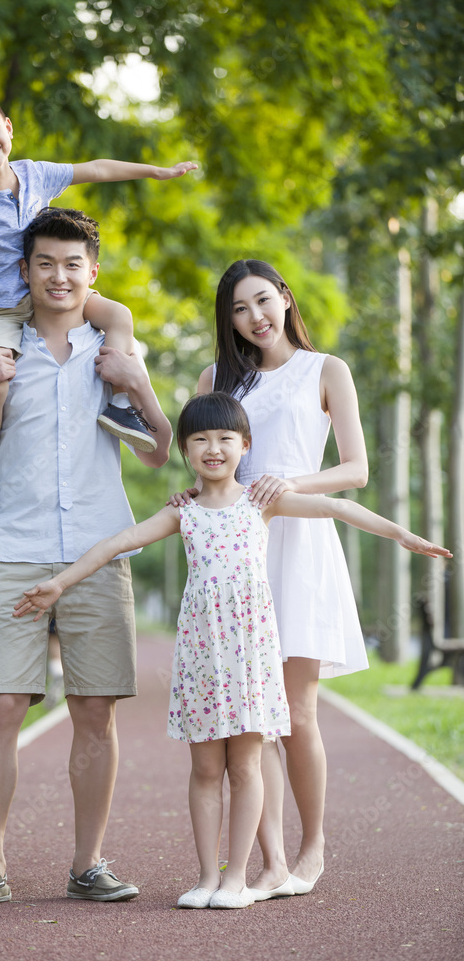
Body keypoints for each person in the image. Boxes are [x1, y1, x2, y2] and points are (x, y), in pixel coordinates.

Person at [14, 392, 450, 909]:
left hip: (250, 656)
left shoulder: (260, 503)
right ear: (185, 451)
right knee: (204, 770)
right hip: (202, 657)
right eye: (200, 439)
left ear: (245, 445)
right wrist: (59, 584)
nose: (213, 448)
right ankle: (206, 878)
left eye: (224, 438)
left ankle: (237, 879)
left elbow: (337, 506)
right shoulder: (184, 513)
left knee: (246, 767)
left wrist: (403, 535)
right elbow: (117, 542)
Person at [0, 207, 173, 906]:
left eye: (73, 264)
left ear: (91, 272)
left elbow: (159, 452)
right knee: (2, 705)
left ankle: (88, 864)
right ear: (26, 271)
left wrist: (138, 384)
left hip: (99, 547)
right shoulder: (1, 355)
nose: (59, 276)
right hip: (14, 545)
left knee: (95, 712)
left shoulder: (115, 349)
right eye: (46, 263)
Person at [0, 88, 195, 523]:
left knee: (120, 316)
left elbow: (97, 168)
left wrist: (156, 172)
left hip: (47, 296)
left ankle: (120, 406)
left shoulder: (37, 174)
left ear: (7, 127)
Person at [168, 258, 372, 898]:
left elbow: (356, 470)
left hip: (302, 543)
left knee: (297, 715)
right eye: (238, 308)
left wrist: (292, 483)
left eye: (263, 301)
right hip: (235, 557)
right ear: (227, 319)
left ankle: (312, 848)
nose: (254, 317)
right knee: (247, 718)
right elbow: (208, 454)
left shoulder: (325, 370)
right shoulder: (216, 379)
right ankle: (271, 863)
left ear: (284, 299)